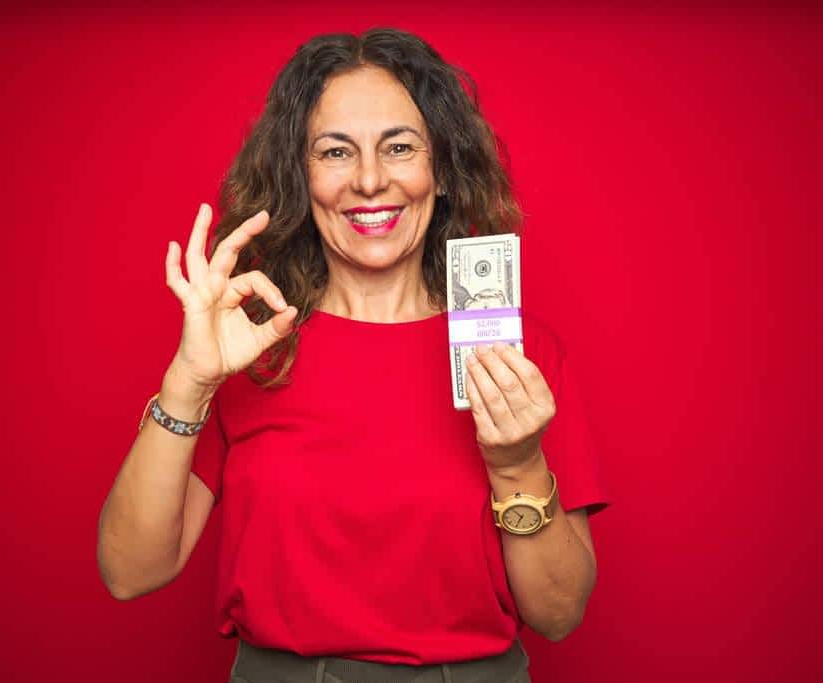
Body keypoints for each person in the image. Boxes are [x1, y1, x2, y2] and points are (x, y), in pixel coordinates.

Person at [97, 27, 610, 683]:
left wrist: (516, 462)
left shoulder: (522, 353)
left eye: (399, 147)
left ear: (445, 168)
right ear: (299, 174)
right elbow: (130, 570)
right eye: (336, 152)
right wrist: (189, 380)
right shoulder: (247, 347)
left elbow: (560, 613)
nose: (370, 181)